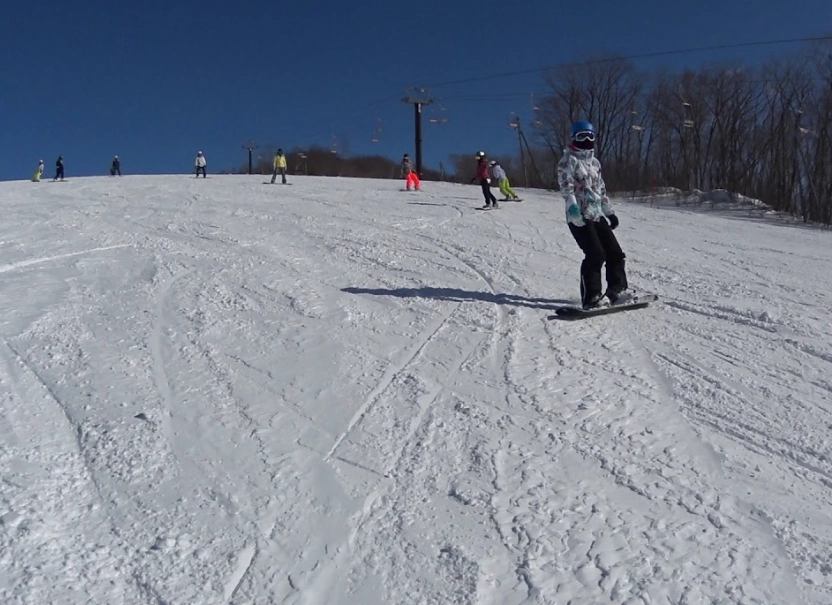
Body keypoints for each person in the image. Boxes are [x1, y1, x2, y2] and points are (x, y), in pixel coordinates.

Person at [557, 120, 631, 309]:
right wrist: (573, 209)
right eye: (582, 136)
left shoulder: (595, 163)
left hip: (596, 214)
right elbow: (567, 188)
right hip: (578, 217)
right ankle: (592, 297)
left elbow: (601, 190)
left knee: (615, 252)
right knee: (595, 254)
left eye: (591, 136)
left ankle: (617, 290)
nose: (587, 140)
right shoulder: (568, 161)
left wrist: (609, 212)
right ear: (574, 138)